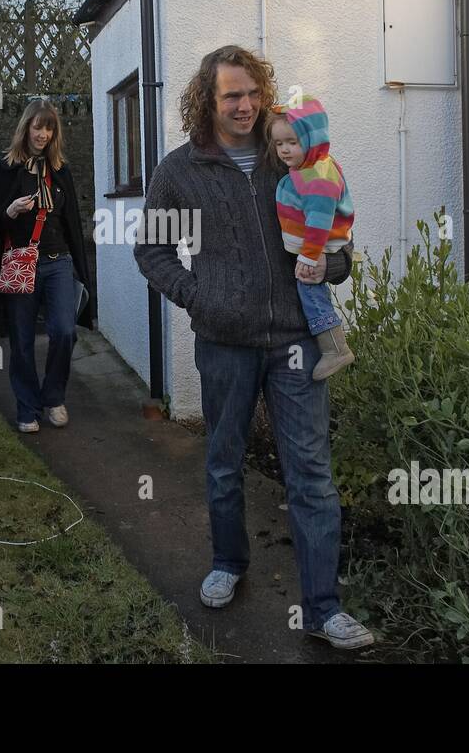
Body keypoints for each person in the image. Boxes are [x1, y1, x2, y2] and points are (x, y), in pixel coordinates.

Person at [133, 45, 373, 650]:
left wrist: (335, 264)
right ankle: (229, 563)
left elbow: (335, 232)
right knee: (223, 461)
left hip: (297, 341)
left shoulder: (289, 157)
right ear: (208, 102)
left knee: (312, 475)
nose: (244, 105)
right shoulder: (181, 170)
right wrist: (198, 298)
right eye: (230, 95)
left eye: (252, 94)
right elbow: (152, 251)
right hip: (225, 342)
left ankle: (323, 609)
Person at [0, 100, 94, 433]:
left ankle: (53, 398)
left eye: (49, 128)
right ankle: (27, 407)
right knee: (21, 340)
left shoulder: (60, 170)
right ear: (26, 128)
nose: (43, 134)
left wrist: (80, 268)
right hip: (22, 264)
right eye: (38, 127)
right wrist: (9, 211)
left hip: (58, 264)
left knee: (64, 331)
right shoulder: (6, 169)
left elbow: (72, 226)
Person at [265, 95, 356, 380]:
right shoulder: (307, 167)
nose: (284, 150)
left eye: (292, 142)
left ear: (313, 139)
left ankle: (335, 349)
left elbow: (318, 221)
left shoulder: (317, 176)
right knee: (311, 292)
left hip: (316, 247)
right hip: (312, 246)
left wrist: (309, 256)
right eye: (279, 143)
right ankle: (333, 347)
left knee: (311, 292)